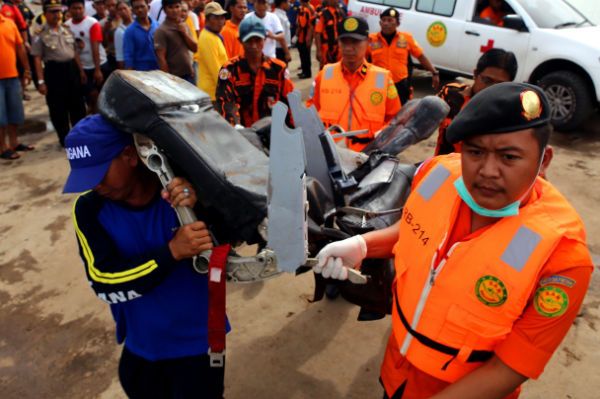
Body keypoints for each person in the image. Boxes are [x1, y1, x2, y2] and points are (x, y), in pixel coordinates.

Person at [315, 82, 594, 399]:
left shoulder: (562, 258)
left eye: (509, 157)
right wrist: (363, 246)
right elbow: (412, 226)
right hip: (396, 371)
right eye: (475, 152)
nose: (488, 171)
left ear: (544, 161)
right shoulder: (437, 175)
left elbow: (512, 365)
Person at [64, 114, 228, 398]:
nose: (95, 185)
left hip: (198, 346)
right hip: (142, 348)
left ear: (129, 155)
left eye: (99, 173)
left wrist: (203, 202)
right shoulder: (89, 210)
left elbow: (230, 241)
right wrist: (171, 252)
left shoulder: (181, 187)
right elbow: (104, 281)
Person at [307, 16, 400, 152]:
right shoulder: (325, 74)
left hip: (367, 157)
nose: (349, 48)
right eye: (344, 42)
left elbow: (395, 119)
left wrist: (381, 138)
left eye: (355, 42)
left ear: (368, 42)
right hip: (329, 155)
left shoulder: (383, 79)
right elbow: (310, 113)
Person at [215, 15, 293, 127]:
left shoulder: (278, 69)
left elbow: (289, 103)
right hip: (243, 136)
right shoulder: (229, 70)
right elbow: (225, 103)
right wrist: (237, 129)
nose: (254, 46)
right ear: (240, 41)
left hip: (274, 134)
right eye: (249, 41)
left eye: (258, 40)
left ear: (265, 39)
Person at [436, 48, 517, 155]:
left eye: (499, 85)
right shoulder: (450, 94)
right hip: (443, 168)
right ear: (475, 74)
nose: (491, 89)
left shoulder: (511, 114)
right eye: (487, 81)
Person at [31, 0, 87, 147]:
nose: (57, 15)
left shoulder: (66, 29)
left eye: (59, 11)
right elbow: (37, 59)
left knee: (77, 105)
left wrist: (80, 71)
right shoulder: (39, 34)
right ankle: (65, 139)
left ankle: (79, 136)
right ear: (45, 14)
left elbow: (74, 52)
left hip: (71, 69)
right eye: (53, 12)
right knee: (58, 108)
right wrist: (41, 81)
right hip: (54, 71)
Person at [368, 7, 439, 106]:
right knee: (378, 106)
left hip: (399, 82)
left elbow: (421, 56)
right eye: (383, 20)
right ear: (380, 23)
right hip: (379, 80)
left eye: (389, 20)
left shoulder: (406, 38)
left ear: (397, 24)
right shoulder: (371, 39)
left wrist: (434, 72)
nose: (386, 23)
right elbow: (362, 59)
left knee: (399, 111)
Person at [0, 6, 32, 160]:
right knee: (1, 116)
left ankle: (14, 142)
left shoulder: (9, 23)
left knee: (15, 112)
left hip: (12, 76)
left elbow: (20, 48)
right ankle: (2, 147)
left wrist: (26, 69)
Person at [65, 0, 109, 113]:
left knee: (104, 95)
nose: (78, 11)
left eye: (80, 8)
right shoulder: (67, 26)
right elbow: (73, 50)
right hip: (83, 66)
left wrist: (98, 70)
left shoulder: (92, 23)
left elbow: (95, 47)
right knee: (91, 95)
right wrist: (81, 70)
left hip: (100, 63)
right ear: (69, 9)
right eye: (74, 8)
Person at [154, 0, 198, 82]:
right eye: (170, 7)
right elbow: (161, 58)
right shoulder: (161, 30)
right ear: (164, 10)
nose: (174, 10)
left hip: (189, 74)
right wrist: (169, 80)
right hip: (175, 78)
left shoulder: (184, 25)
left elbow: (195, 48)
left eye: (177, 7)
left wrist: (184, 34)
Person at [197, 1, 227, 99]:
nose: (220, 21)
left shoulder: (214, 36)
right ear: (207, 20)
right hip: (213, 94)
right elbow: (216, 70)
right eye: (216, 18)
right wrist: (228, 90)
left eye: (222, 17)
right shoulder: (208, 38)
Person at [123, 0, 159, 71]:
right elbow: (128, 55)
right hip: (141, 71)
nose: (140, 10)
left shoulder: (157, 25)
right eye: (136, 8)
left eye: (142, 6)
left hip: (159, 69)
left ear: (148, 7)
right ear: (132, 10)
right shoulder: (129, 31)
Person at [314, 0, 344, 69]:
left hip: (338, 48)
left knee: (339, 70)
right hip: (326, 48)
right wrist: (318, 51)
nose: (336, 1)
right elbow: (317, 33)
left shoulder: (341, 13)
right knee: (326, 70)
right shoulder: (323, 14)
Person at [295, 0, 314, 79]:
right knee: (303, 55)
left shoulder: (306, 11)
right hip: (302, 37)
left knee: (305, 55)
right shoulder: (304, 9)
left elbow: (303, 25)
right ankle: (304, 71)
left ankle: (307, 73)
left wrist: (308, 38)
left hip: (304, 36)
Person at [101, 0, 120, 73]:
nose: (111, 8)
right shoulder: (102, 23)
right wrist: (105, 31)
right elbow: (103, 44)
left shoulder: (127, 19)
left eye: (113, 5)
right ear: (105, 7)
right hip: (112, 57)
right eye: (108, 6)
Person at [113, 0, 133, 69]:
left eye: (125, 8)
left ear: (130, 8)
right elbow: (120, 56)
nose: (123, 11)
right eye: (120, 10)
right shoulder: (119, 32)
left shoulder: (139, 24)